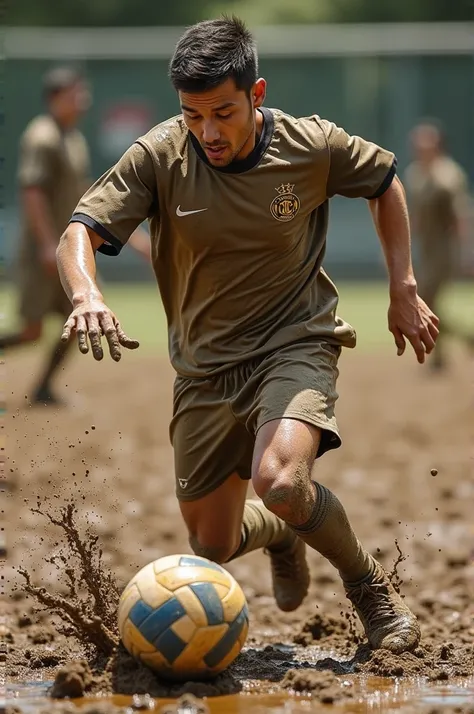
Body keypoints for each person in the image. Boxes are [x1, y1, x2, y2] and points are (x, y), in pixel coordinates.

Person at [57, 17, 439, 654]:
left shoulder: (309, 144)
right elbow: (80, 232)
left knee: (283, 481)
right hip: (203, 368)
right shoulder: (160, 154)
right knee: (213, 543)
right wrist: (86, 292)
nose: (207, 131)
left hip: (295, 341)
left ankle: (370, 590)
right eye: (192, 114)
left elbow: (384, 181)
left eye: (223, 113)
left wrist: (402, 285)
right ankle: (283, 534)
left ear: (255, 95)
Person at [1, 66, 150, 405]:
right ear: (55, 98)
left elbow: (83, 192)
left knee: (84, 314)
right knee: (31, 332)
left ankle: (42, 389)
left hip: (64, 251)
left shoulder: (71, 138)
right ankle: (41, 389)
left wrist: (135, 239)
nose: (83, 100)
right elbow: (32, 192)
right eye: (75, 94)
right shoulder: (43, 137)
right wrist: (44, 245)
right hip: (43, 253)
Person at [405, 121, 472, 370]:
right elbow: (414, 216)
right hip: (427, 249)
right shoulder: (416, 175)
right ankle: (462, 340)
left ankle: (441, 355)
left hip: (445, 249)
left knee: (426, 300)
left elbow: (459, 217)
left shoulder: (449, 176)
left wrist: (465, 253)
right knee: (430, 303)